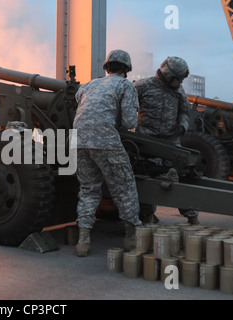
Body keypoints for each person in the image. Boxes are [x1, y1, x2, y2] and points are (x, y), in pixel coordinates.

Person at [73, 49, 143, 257]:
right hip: (105, 140)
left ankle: (83, 241)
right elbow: (130, 122)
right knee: (124, 187)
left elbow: (80, 100)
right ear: (127, 70)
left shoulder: (89, 85)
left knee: (88, 189)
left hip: (78, 140)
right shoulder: (124, 86)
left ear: (106, 67)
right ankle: (131, 236)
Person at [134, 56, 200, 225]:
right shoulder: (143, 86)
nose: (179, 82)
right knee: (146, 180)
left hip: (171, 142)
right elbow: (127, 105)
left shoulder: (178, 91)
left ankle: (191, 215)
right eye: (177, 79)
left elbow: (185, 112)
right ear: (167, 74)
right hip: (147, 142)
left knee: (180, 178)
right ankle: (147, 214)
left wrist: (183, 127)